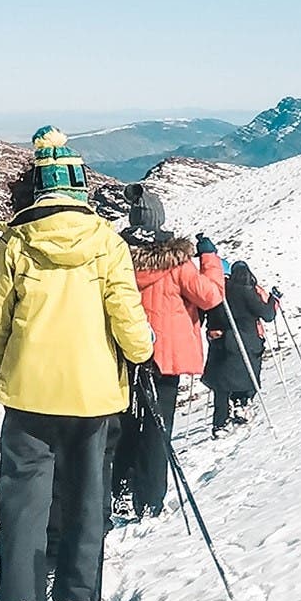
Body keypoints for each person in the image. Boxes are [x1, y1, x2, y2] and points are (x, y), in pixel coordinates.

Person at [0, 128, 154, 601]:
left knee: (24, 506)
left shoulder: (16, 241)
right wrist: (141, 354)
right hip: (95, 396)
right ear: (79, 185)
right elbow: (126, 314)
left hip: (28, 397)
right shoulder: (106, 241)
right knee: (87, 497)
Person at [112, 187, 224, 519]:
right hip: (165, 358)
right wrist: (210, 259)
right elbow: (211, 297)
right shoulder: (177, 264)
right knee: (158, 430)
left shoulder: (117, 258)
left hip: (125, 355)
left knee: (126, 424)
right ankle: (149, 500)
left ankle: (119, 489)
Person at [204, 260, 281, 435]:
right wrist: (274, 300)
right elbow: (267, 314)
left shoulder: (215, 291)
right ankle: (242, 403)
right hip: (247, 341)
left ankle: (220, 423)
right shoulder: (245, 290)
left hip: (220, 342)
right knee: (249, 374)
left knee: (222, 384)